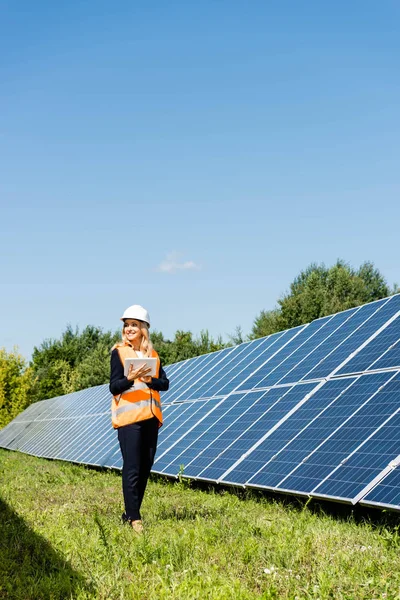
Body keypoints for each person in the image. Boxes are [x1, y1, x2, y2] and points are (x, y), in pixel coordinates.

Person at [109, 304, 169, 533]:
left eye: (134, 325)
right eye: (126, 325)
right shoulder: (119, 352)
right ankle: (135, 518)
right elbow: (114, 387)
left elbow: (165, 383)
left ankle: (130, 513)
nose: (129, 329)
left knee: (145, 467)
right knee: (132, 467)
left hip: (151, 418)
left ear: (144, 328)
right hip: (129, 418)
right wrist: (131, 378)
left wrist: (150, 380)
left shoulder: (153, 355)